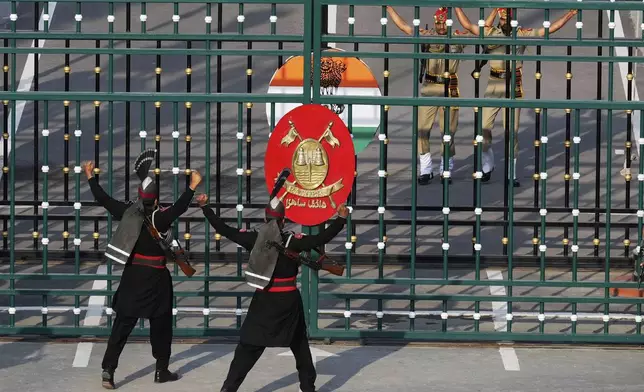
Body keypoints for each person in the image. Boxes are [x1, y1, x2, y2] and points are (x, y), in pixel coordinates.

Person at [196, 188, 349, 392]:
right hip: (289, 302)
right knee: (300, 346)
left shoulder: (254, 239)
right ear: (283, 221)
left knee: (248, 347)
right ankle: (308, 388)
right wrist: (341, 218)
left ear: (265, 219)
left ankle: (228, 389)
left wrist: (205, 207)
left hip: (264, 300)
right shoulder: (293, 241)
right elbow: (321, 238)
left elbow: (225, 229)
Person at [83, 149, 202, 389]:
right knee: (161, 326)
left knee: (122, 326)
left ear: (139, 196)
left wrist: (90, 177)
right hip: (157, 280)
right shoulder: (162, 218)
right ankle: (161, 370)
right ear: (157, 199)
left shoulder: (127, 212)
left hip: (132, 279)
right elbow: (179, 207)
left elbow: (104, 200)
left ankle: (108, 371)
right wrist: (192, 186)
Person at [454, 7, 578, 186]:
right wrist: (457, 6)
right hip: (494, 85)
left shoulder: (521, 34)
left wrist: (569, 15)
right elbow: (467, 25)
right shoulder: (491, 33)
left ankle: (511, 173)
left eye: (508, 20)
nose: (505, 23)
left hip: (514, 86)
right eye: (503, 19)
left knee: (511, 132)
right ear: (499, 19)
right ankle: (487, 165)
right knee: (483, 129)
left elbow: (548, 30)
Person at [386, 6, 496, 185]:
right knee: (422, 129)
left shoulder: (456, 38)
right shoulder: (426, 35)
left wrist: (491, 11)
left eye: (444, 23)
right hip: (429, 87)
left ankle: (446, 168)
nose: (441, 26)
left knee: (448, 133)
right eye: (438, 23)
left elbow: (479, 30)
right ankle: (426, 168)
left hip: (449, 88)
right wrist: (390, 9)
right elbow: (405, 27)